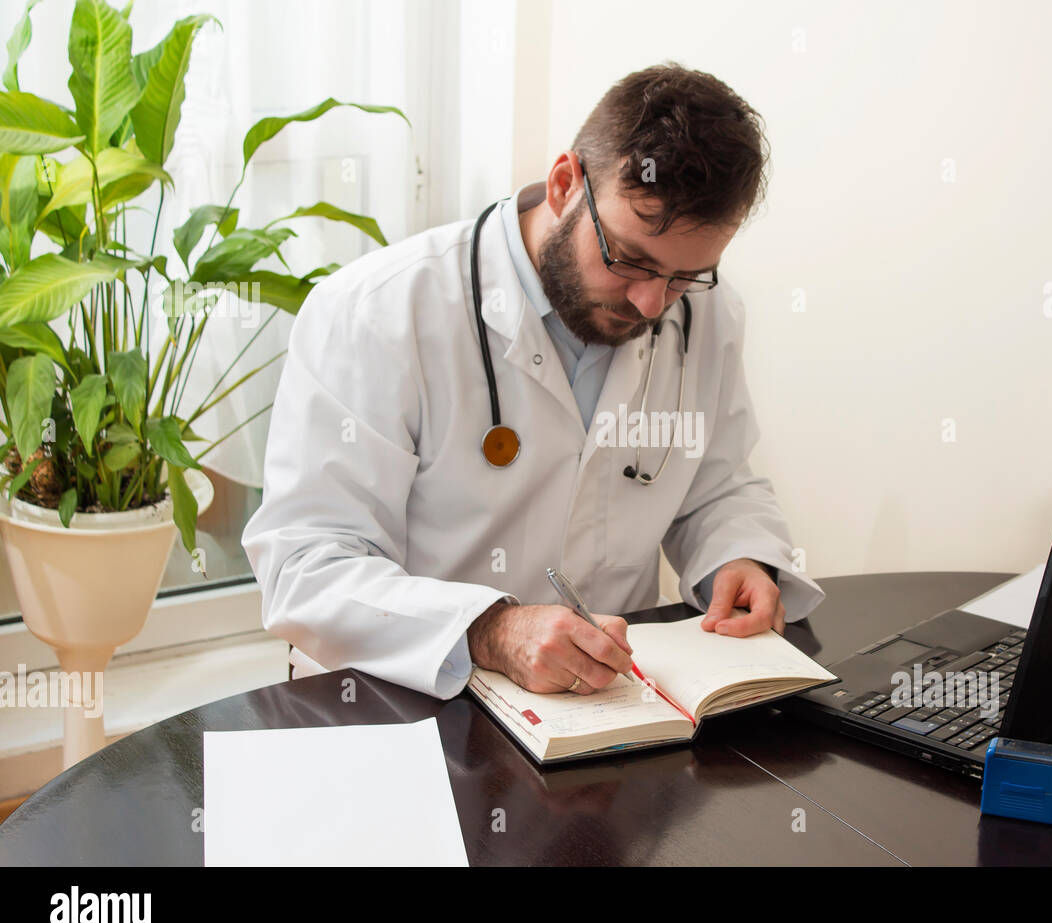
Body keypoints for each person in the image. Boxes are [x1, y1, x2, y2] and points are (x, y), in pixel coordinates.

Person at [242, 62, 825, 700]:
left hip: (611, 709)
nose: (653, 303)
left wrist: (738, 556)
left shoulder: (705, 316)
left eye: (686, 276)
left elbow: (717, 484)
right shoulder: (377, 311)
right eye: (630, 260)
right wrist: (489, 630)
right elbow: (305, 565)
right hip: (410, 702)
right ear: (564, 184)